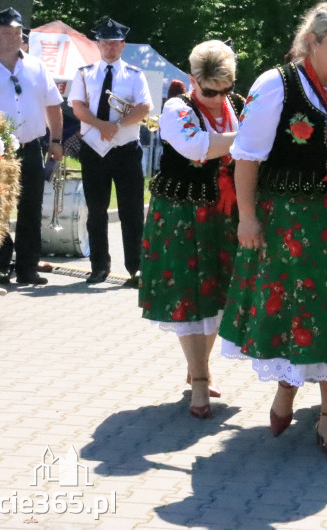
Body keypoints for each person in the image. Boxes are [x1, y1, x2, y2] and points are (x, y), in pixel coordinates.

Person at [219, 1, 327, 459]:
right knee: (295, 312)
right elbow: (247, 156)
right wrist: (247, 217)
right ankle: (285, 392)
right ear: (311, 42)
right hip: (290, 224)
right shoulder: (276, 86)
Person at [139, 40, 244, 419]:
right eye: (210, 90)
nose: (218, 98)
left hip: (222, 212)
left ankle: (200, 366)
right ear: (192, 80)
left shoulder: (236, 105)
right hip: (182, 212)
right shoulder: (176, 106)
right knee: (187, 294)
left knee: (217, 293)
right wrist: (247, 139)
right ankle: (199, 380)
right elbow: (196, 146)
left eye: (226, 89)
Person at [68, 18, 152, 286]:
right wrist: (101, 125)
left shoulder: (135, 75)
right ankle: (99, 267)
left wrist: (115, 125)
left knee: (132, 210)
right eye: (105, 43)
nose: (110, 48)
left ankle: (135, 268)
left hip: (125, 149)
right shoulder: (84, 73)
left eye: (115, 43)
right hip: (94, 149)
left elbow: (143, 108)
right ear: (98, 45)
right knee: (96, 211)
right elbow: (78, 107)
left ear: (123, 45)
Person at [0, 8, 64, 286]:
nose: (14, 38)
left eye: (18, 33)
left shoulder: (36, 65)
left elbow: (53, 106)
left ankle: (27, 267)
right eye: (7, 32)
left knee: (31, 208)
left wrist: (55, 140)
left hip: (31, 147)